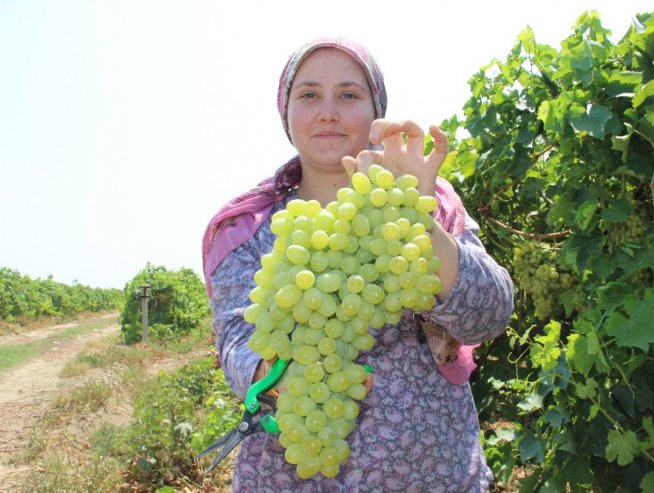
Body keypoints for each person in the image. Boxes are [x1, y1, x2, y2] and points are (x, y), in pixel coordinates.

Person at [202, 36, 514, 493]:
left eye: (348, 94)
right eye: (308, 95)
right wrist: (279, 380)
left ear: (376, 111)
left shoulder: (427, 198)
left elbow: (490, 314)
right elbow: (236, 337)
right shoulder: (247, 226)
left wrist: (416, 220)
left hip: (438, 477)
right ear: (286, 112)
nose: (328, 110)